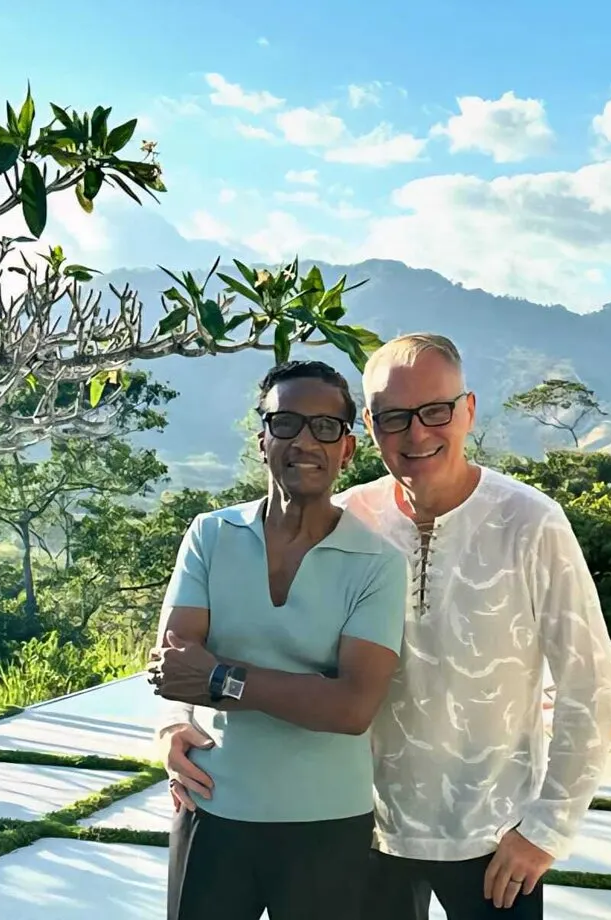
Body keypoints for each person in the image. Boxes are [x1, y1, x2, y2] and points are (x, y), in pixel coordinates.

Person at [160, 334, 611, 919]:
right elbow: (203, 636)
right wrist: (175, 726)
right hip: (360, 832)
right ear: (369, 430)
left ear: (468, 411)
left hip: (492, 833)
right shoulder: (349, 517)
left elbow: (589, 684)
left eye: (436, 411)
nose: (417, 433)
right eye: (395, 417)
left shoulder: (530, 521)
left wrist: (547, 828)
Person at [147, 359, 409, 920]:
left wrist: (219, 677)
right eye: (285, 423)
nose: (304, 441)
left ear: (347, 447)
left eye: (325, 427)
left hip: (328, 824)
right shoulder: (211, 535)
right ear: (262, 438)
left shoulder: (379, 563)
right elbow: (174, 668)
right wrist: (300, 689)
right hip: (213, 809)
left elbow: (352, 708)